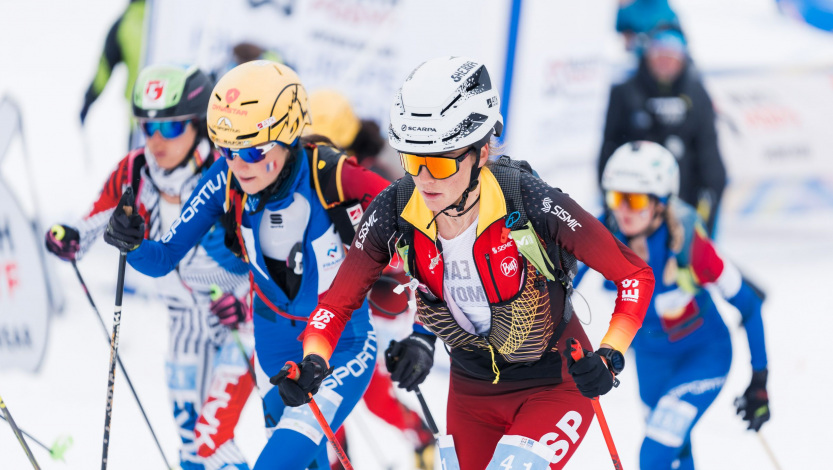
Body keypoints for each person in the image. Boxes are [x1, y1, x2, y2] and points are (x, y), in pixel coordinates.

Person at [276, 56, 656, 470]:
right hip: (471, 396)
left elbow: (634, 274)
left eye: (439, 162)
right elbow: (336, 304)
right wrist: (314, 359)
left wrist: (610, 355)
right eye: (411, 159)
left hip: (552, 386)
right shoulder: (396, 209)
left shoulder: (531, 201)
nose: (424, 179)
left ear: (481, 151)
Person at [102, 60, 390, 469]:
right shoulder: (225, 179)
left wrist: (421, 325)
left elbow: (415, 211)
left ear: (288, 134)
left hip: (341, 347)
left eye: (254, 150)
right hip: (274, 353)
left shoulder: (327, 171)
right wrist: (131, 242)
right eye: (227, 150)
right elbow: (163, 258)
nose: (240, 165)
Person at [47, 64, 255, 470]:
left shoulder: (230, 169)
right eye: (147, 127)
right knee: (191, 447)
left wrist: (247, 304)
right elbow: (91, 224)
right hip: (182, 320)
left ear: (199, 125)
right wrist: (66, 238)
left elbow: (269, 251)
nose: (157, 140)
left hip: (241, 319)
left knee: (214, 438)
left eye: (172, 128)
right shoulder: (134, 171)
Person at [591, 141, 770, 469]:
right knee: (676, 454)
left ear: (660, 203)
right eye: (616, 197)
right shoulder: (604, 231)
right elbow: (562, 280)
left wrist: (759, 380)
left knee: (654, 454)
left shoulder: (692, 244)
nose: (624, 210)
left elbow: (749, 305)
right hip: (649, 361)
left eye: (635, 199)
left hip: (704, 357)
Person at [308, 89, 435, 469]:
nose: (316, 161)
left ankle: (424, 438)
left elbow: (410, 251)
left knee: (375, 397)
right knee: (326, 388)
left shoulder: (378, 174)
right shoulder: (327, 170)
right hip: (340, 295)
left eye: (322, 150)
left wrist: (362, 255)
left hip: (381, 301)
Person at [598, 28, 726, 235]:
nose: (664, 61)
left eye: (671, 56)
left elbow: (711, 159)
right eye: (659, 54)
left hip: (683, 206)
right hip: (633, 208)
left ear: (683, 59)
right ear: (647, 55)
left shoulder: (697, 95)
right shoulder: (625, 93)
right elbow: (607, 152)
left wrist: (704, 226)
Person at [80, 0, 145, 142]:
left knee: (139, 163)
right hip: (182, 122)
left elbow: (103, 71)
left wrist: (88, 101)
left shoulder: (124, 24)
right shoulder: (172, 17)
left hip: (140, 122)